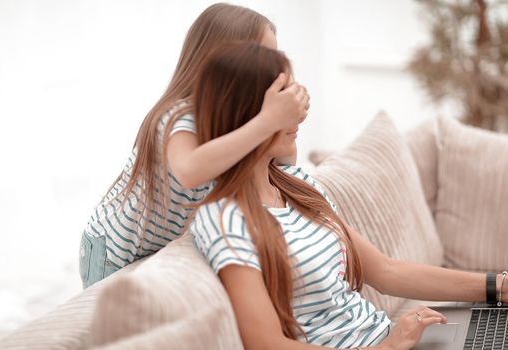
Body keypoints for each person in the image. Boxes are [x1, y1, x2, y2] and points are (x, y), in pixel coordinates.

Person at [188, 41, 508, 349]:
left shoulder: (298, 185)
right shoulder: (223, 217)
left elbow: (386, 272)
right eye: (284, 101)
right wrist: (387, 349)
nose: (299, 114)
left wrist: (497, 286)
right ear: (248, 113)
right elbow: (266, 344)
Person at [78, 3, 310, 289]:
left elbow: (283, 170)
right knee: (113, 327)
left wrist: (286, 127)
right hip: (113, 249)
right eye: (264, 58)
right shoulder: (179, 115)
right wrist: (268, 120)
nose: (273, 73)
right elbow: (190, 170)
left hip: (161, 250)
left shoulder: (240, 123)